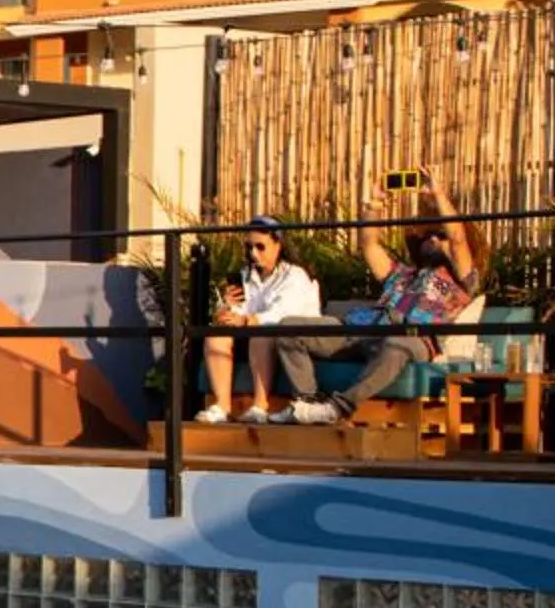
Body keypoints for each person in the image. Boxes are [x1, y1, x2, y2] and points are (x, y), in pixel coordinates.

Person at [284, 170, 479, 426]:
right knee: (288, 328)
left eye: (439, 234)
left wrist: (439, 195)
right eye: (428, 235)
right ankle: (308, 405)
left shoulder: (462, 280)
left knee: (398, 345)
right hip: (365, 327)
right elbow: (369, 245)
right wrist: (374, 204)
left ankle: (337, 408)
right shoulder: (400, 274)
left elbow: (457, 238)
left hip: (412, 336)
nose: (433, 238)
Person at [195, 215, 320, 425]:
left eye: (260, 247)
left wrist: (244, 321)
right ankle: (222, 407)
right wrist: (226, 310)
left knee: (261, 334)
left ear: (278, 244)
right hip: (255, 334)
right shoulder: (247, 276)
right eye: (249, 247)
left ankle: (260, 406)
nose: (253, 253)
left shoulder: (294, 276)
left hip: (290, 340)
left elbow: (280, 314)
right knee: (217, 336)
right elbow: (242, 310)